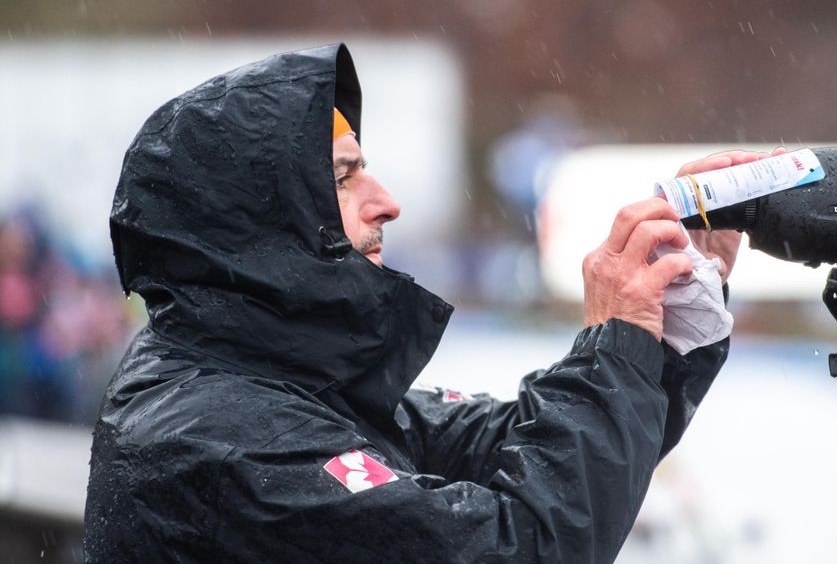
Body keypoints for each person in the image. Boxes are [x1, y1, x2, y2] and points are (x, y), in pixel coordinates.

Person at [84, 44, 759, 562]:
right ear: (261, 220)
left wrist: (660, 326)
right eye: (345, 178)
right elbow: (522, 544)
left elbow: (512, 449)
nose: (387, 201)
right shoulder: (229, 442)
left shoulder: (268, 372)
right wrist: (616, 342)